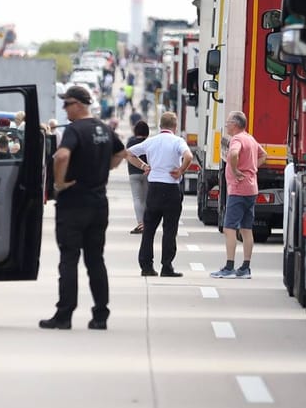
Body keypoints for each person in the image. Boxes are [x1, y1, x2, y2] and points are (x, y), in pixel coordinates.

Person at [42, 84, 144, 330]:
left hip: (73, 202)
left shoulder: (75, 130)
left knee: (69, 259)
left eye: (67, 104)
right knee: (95, 260)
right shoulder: (104, 129)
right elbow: (122, 153)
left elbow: (61, 156)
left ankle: (64, 315)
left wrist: (59, 182)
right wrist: (107, 166)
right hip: (98, 203)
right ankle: (100, 315)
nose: (65, 109)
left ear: (78, 104)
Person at [131, 112, 194, 278]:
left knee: (149, 228)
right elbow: (189, 156)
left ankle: (146, 265)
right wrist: (180, 170)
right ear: (175, 126)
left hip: (154, 189)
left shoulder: (150, 141)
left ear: (160, 126)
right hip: (171, 189)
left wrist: (144, 165)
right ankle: (167, 266)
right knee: (169, 229)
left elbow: (129, 153)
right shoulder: (178, 141)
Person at [214, 110, 265, 279]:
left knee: (229, 228)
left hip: (238, 189)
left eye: (228, 122)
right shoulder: (250, 138)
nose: (226, 125)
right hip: (251, 188)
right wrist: (253, 168)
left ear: (235, 125)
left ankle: (229, 267)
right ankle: (245, 267)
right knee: (246, 229)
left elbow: (234, 154)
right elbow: (263, 154)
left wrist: (236, 170)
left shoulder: (236, 139)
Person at [125, 118, 150, 234]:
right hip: (147, 173)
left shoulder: (130, 142)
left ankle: (140, 224)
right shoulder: (149, 142)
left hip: (133, 173)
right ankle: (145, 223)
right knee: (144, 199)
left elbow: (127, 155)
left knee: (137, 198)